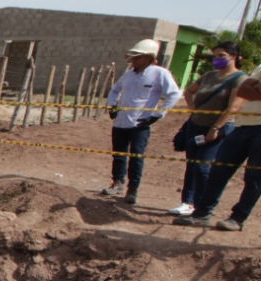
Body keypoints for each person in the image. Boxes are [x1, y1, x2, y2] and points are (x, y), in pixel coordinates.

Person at [174, 62, 261, 232]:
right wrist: (253, 89)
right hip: (242, 125)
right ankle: (202, 214)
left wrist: (256, 90)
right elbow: (244, 91)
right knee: (218, 171)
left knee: (254, 177)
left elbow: (248, 91)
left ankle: (237, 218)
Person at [170, 42, 246, 216]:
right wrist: (192, 109)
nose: (216, 59)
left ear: (234, 57)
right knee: (192, 164)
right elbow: (189, 92)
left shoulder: (240, 78)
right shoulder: (209, 76)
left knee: (203, 167)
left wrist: (215, 128)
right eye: (215, 56)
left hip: (217, 128)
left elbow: (233, 107)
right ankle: (187, 202)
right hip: (195, 125)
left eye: (221, 56)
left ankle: (202, 205)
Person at [103, 39, 182, 205]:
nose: (133, 60)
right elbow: (115, 90)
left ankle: (133, 189)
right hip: (121, 121)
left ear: (149, 57)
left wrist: (158, 114)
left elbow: (173, 94)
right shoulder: (128, 74)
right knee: (118, 154)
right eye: (133, 57)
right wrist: (112, 106)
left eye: (137, 57)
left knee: (136, 156)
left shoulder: (159, 73)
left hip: (140, 124)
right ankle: (117, 183)